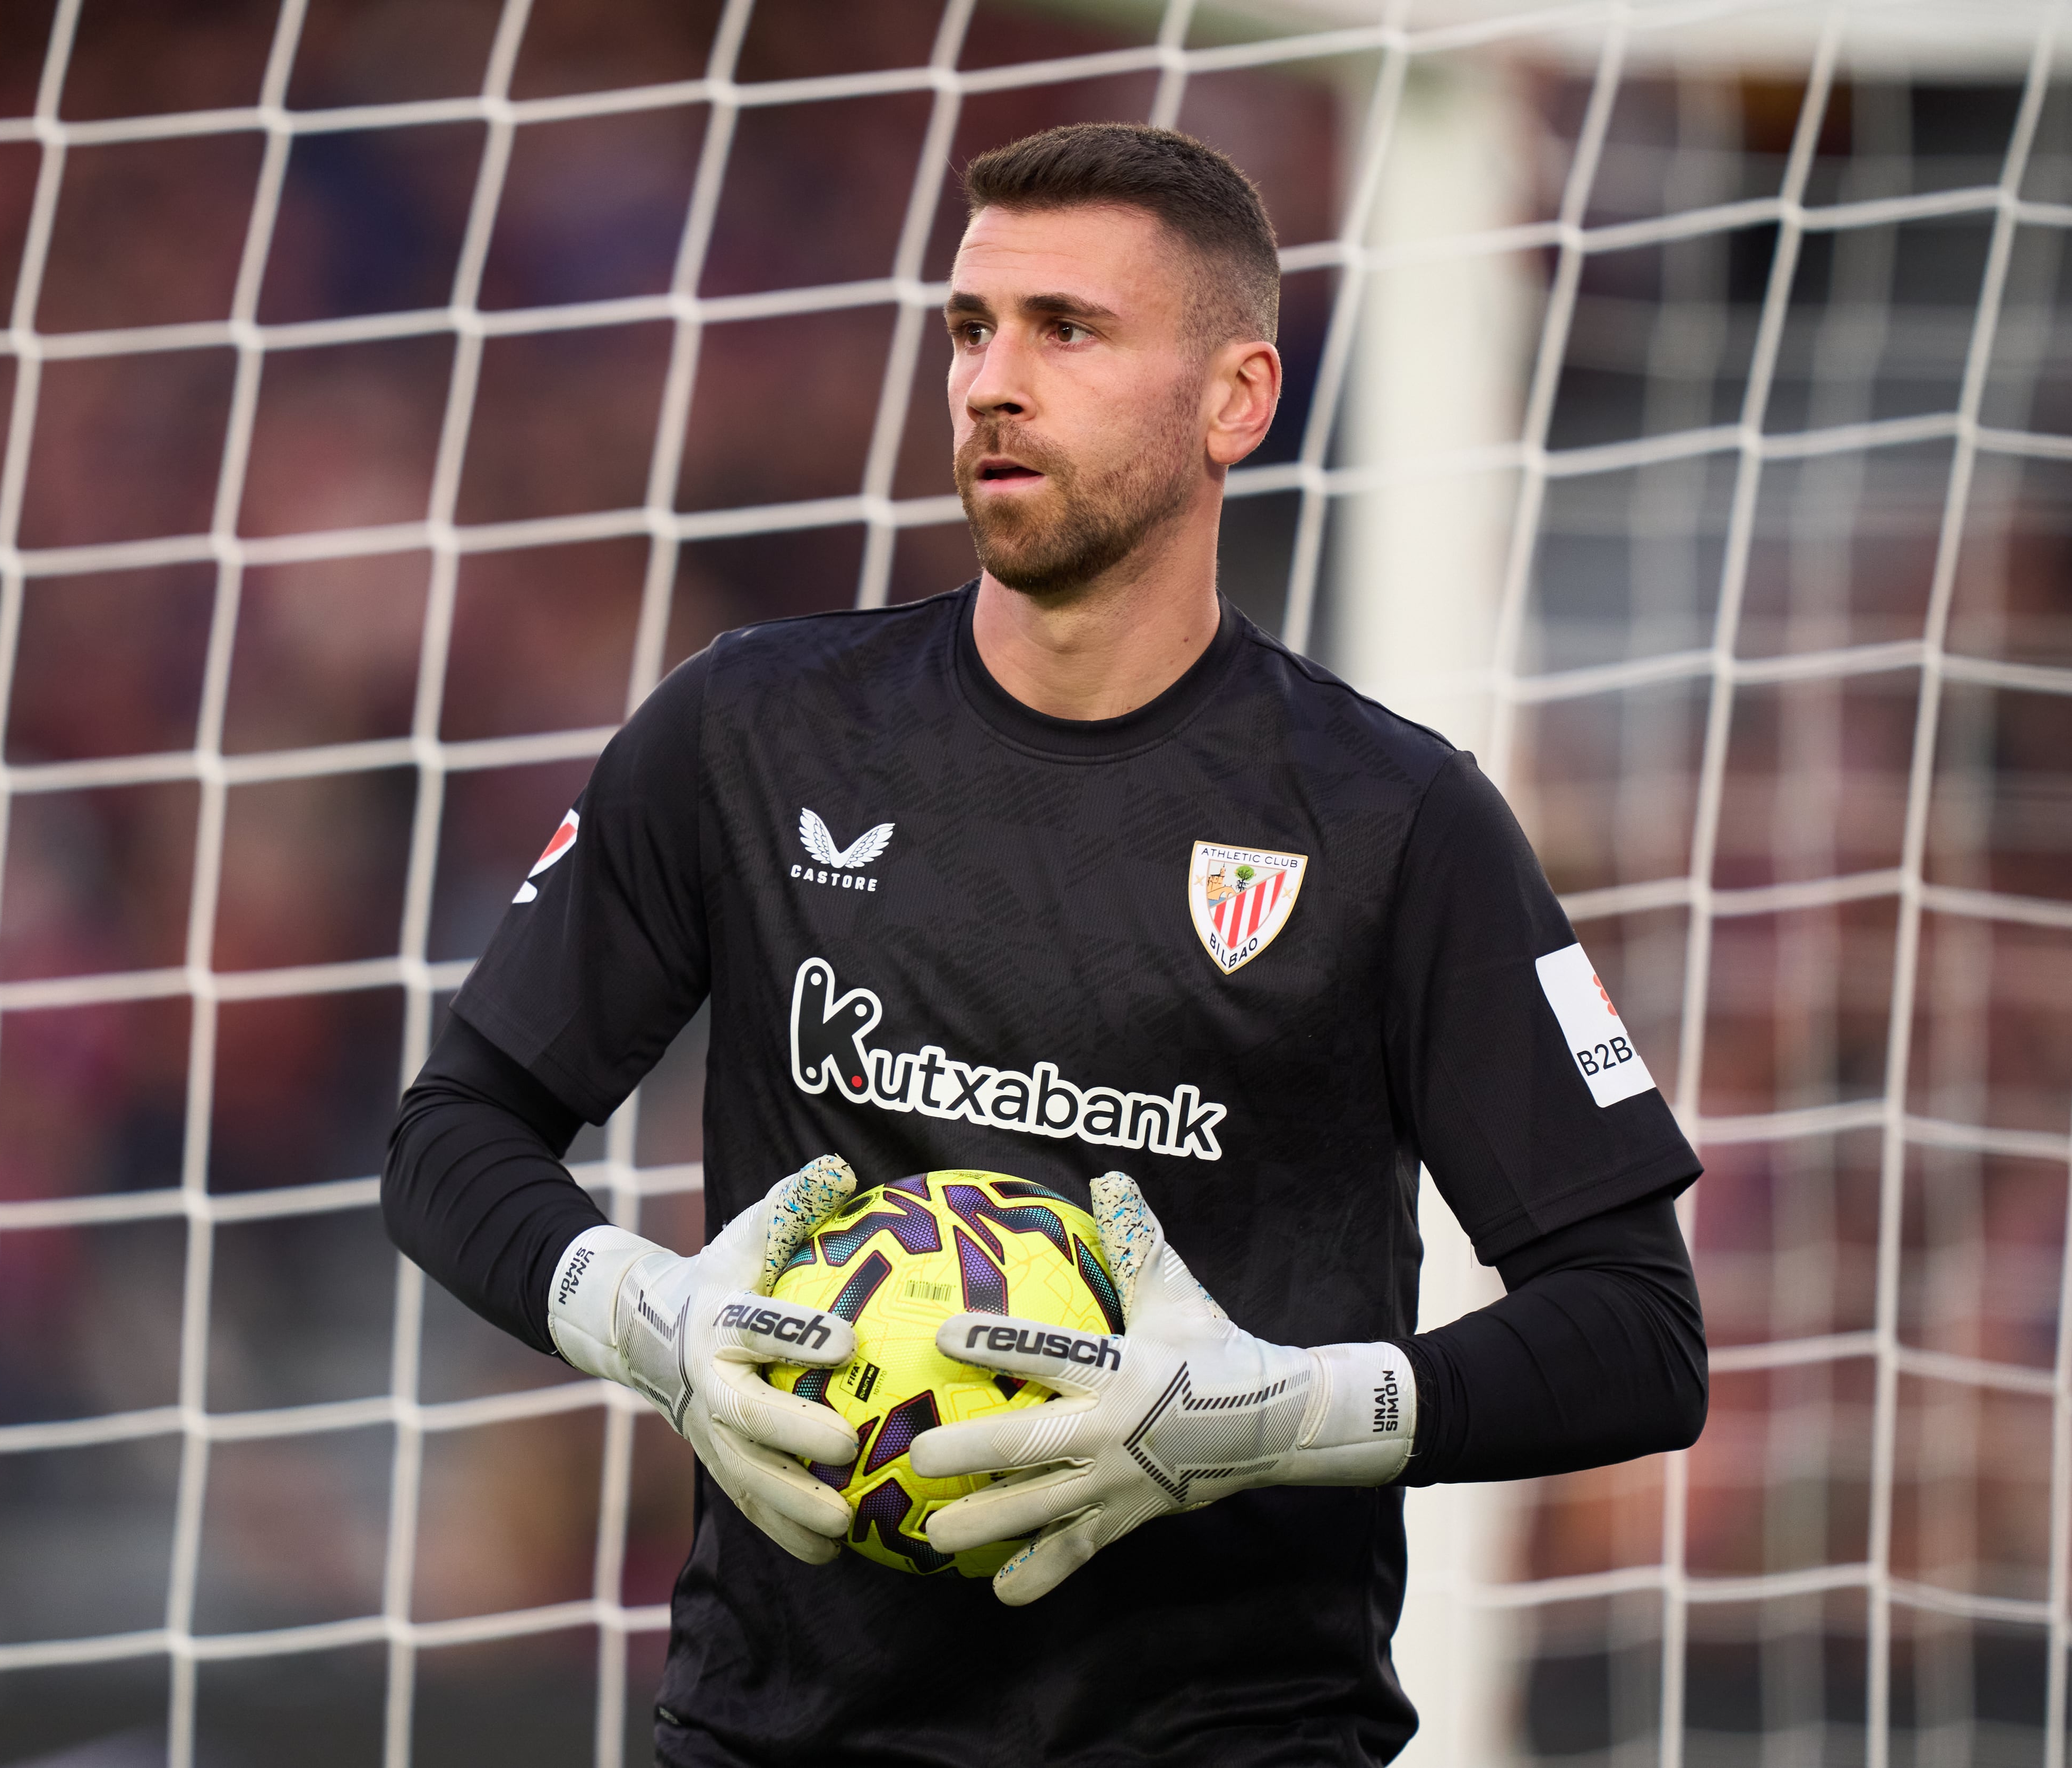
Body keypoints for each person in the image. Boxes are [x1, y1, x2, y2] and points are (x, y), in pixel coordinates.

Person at [385, 123, 1706, 1767]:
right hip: (783, 1735)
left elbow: (1638, 1336)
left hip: (1227, 1737)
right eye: (970, 329)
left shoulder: (1396, 823)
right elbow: (451, 1137)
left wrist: (1283, 1414)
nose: (992, 383)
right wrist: (645, 1318)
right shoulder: (752, 734)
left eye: (1067, 331)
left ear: (1238, 399)